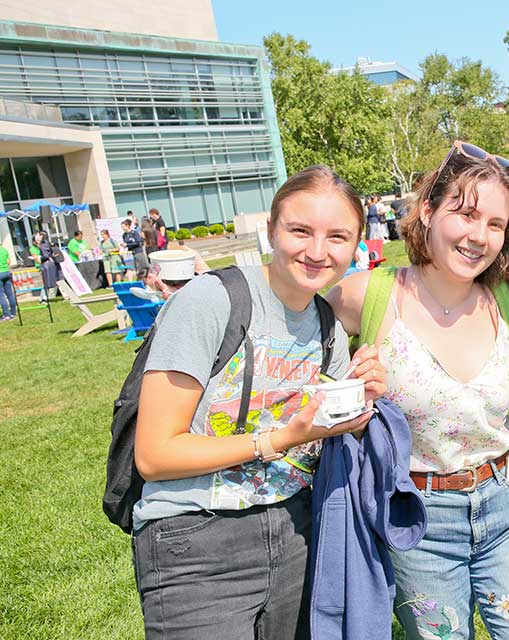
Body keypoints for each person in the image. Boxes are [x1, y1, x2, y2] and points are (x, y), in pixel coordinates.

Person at [131, 164, 387, 639]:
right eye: (300, 230)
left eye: (337, 236)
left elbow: (318, 432)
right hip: (196, 537)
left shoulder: (327, 324)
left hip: (297, 530)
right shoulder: (212, 300)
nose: (316, 251)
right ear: (271, 231)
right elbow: (154, 454)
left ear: (357, 245)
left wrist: (357, 400)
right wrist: (279, 439)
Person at [328, 140, 509, 640]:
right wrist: (343, 387)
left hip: (508, 508)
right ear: (428, 211)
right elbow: (296, 348)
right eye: (466, 214)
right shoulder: (368, 294)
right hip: (417, 521)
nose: (479, 236)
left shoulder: (502, 297)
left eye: (495, 225)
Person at [30, 231, 59, 301]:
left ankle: (44, 298)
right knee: (46, 283)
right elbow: (38, 259)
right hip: (41, 265)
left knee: (47, 283)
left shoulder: (44, 244)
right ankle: (43, 298)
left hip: (46, 264)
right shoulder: (34, 248)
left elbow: (47, 254)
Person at [0, 243, 16, 320]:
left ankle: (6, 314)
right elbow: (8, 262)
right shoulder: (4, 250)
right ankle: (13, 313)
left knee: (1, 295)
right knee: (10, 294)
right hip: (6, 272)